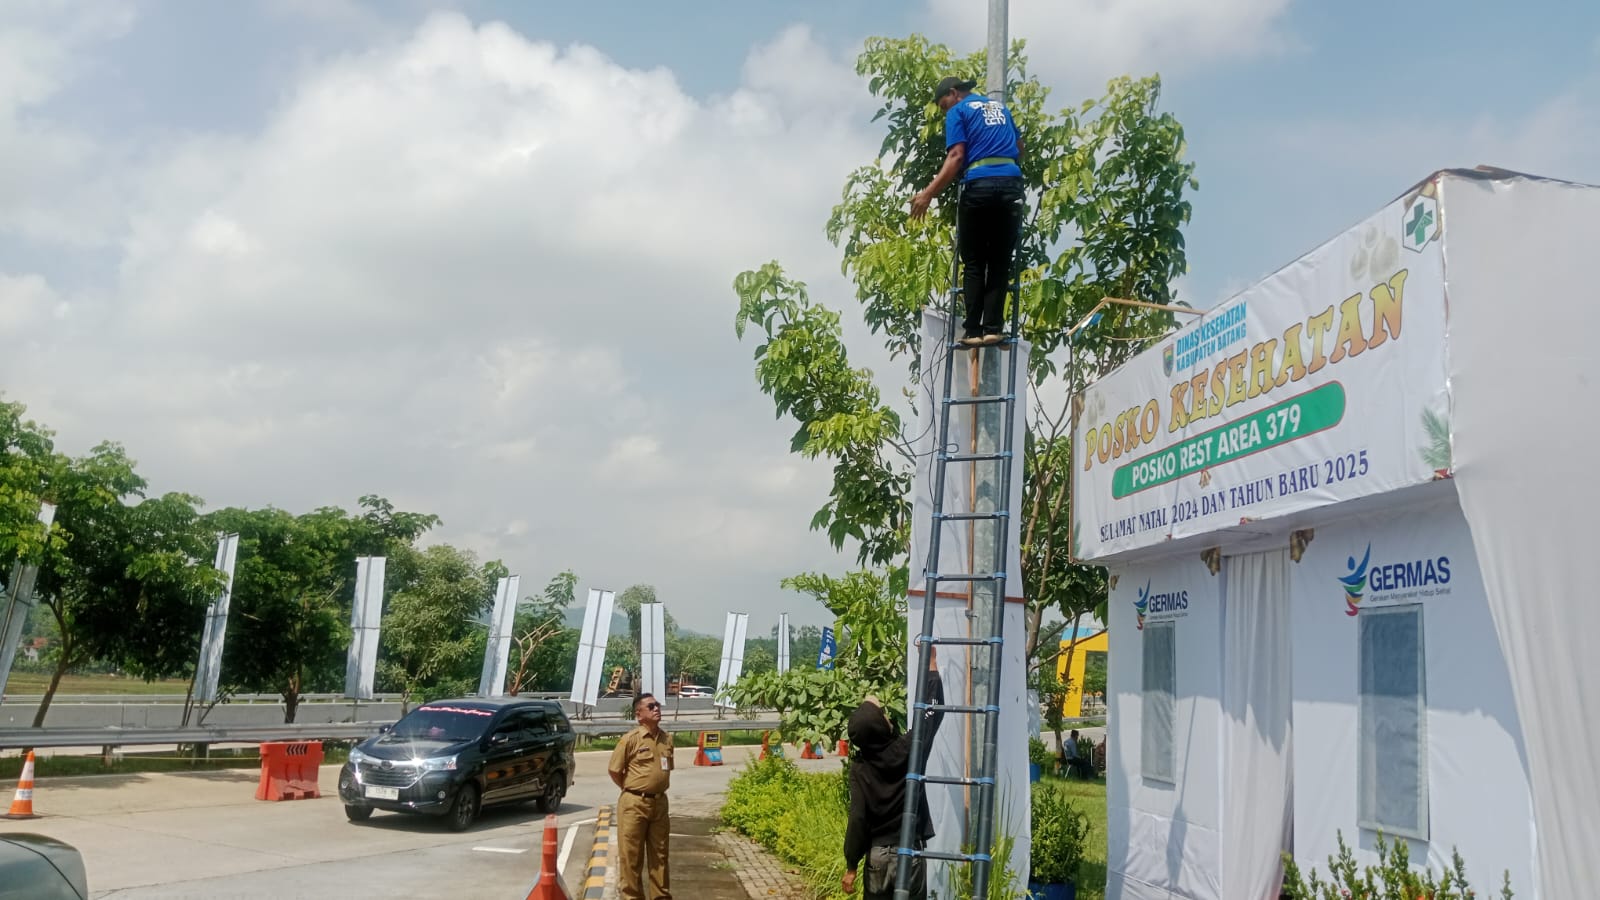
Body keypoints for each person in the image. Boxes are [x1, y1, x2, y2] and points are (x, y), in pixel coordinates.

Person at [911, 75, 1026, 349]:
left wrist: (928, 194)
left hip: (979, 186)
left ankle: (973, 330)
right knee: (999, 261)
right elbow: (1020, 148)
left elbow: (957, 156)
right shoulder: (1001, 108)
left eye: (943, 105)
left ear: (954, 93)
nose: (945, 112)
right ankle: (994, 329)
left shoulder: (959, 112)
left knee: (975, 262)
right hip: (1011, 186)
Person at [842, 646, 946, 899]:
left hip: (877, 858)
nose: (888, 717)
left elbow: (857, 819)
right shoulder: (908, 750)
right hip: (908, 852)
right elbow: (931, 713)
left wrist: (851, 866)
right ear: (880, 726)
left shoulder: (859, 769)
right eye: (883, 715)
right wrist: (931, 663)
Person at [609, 693, 674, 900]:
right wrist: (632, 790)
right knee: (631, 857)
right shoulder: (630, 740)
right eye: (651, 706)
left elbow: (666, 769)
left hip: (659, 804)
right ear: (639, 714)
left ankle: (660, 897)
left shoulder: (666, 739)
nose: (657, 709)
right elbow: (614, 770)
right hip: (634, 804)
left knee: (660, 856)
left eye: (658, 705)